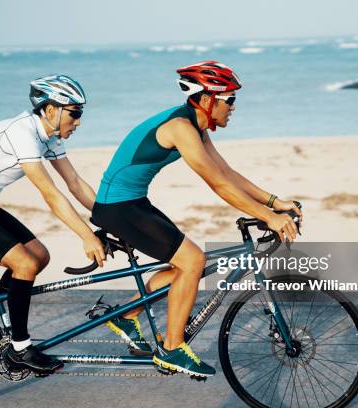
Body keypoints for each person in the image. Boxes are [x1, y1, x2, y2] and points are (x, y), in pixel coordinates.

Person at [92, 61, 302, 377]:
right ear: (207, 99)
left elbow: (227, 173)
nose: (233, 107)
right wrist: (268, 218)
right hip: (118, 207)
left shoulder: (196, 126)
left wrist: (274, 202)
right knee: (193, 261)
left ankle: (126, 315)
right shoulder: (181, 128)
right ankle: (172, 348)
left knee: (188, 265)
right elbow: (216, 184)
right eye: (229, 99)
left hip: (133, 202)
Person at [0, 74, 105, 375]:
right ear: (51, 109)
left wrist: (109, 221)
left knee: (40, 256)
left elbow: (75, 184)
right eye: (74, 113)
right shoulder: (23, 133)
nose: (78, 121)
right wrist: (86, 236)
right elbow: (51, 194)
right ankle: (20, 348)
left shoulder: (49, 136)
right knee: (25, 265)